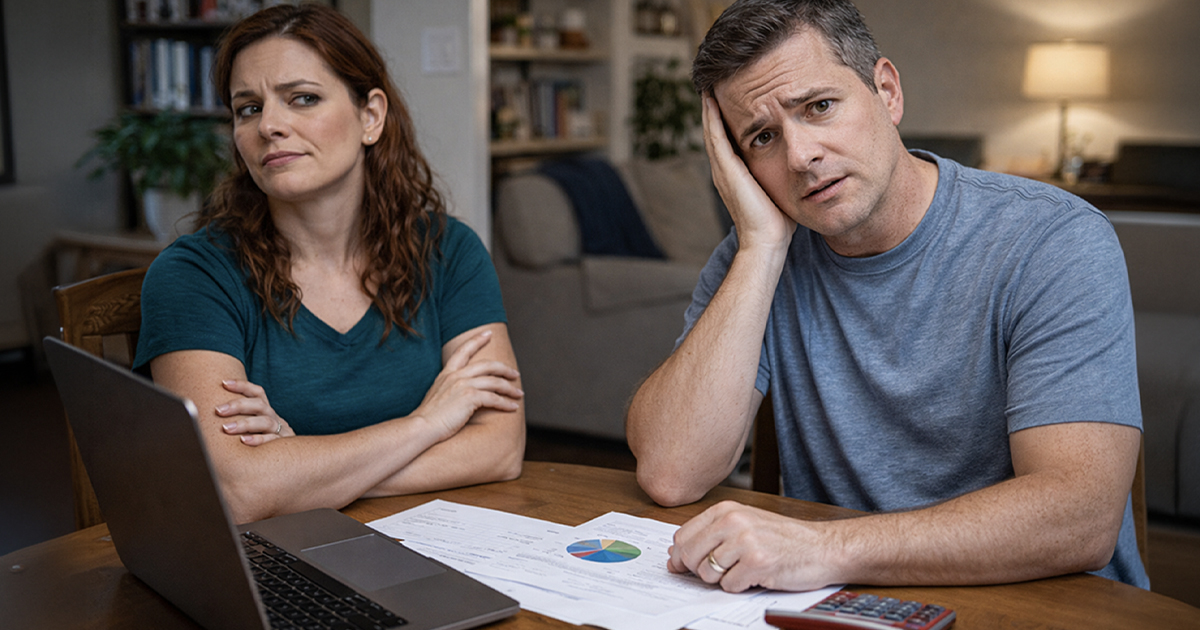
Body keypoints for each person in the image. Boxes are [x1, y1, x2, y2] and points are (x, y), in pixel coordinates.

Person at [625, 0, 1148, 592]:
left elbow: (1079, 517)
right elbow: (671, 473)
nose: (800, 158)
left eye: (819, 108)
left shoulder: (1052, 239)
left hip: (1049, 604)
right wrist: (760, 251)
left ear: (887, 92)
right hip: (844, 600)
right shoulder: (756, 256)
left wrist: (824, 549)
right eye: (762, 138)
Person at [133, 4, 524, 525]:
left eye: (303, 99)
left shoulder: (448, 250)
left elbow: (499, 448)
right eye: (248, 109)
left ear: (371, 116)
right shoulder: (194, 276)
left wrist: (301, 467)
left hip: (441, 544)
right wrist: (427, 424)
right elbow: (239, 490)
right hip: (277, 568)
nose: (270, 125)